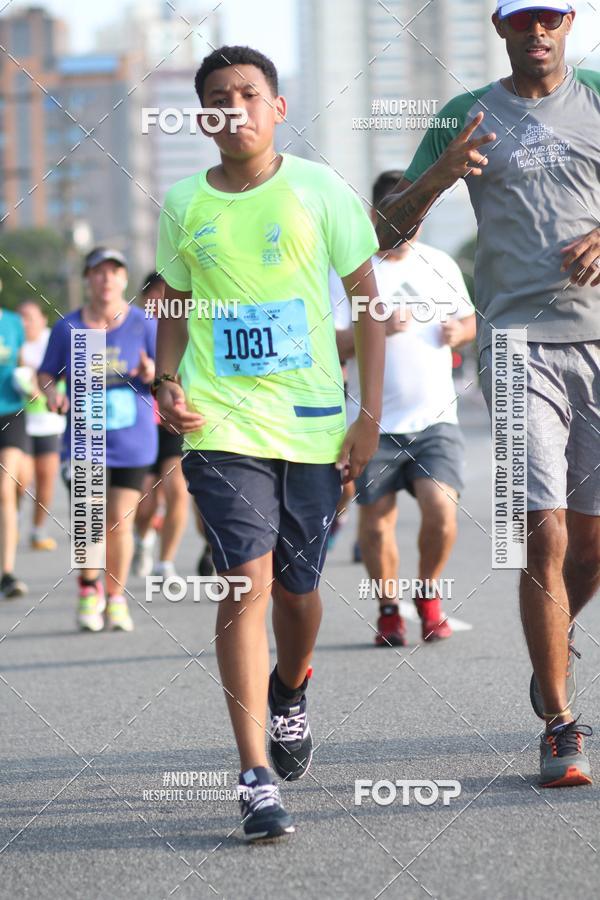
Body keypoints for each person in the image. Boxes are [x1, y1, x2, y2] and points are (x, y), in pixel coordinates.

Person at [154, 45, 384, 840]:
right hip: (220, 426)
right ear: (203, 117)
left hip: (315, 423)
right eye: (218, 98)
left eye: (249, 93)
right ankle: (253, 775)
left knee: (298, 593)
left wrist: (369, 415)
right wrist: (166, 381)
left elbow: (369, 302)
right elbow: (174, 304)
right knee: (244, 583)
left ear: (277, 107)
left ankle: (290, 688)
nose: (234, 107)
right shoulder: (183, 202)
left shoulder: (320, 190)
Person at [378, 2, 599, 787]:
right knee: (543, 529)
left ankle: (552, 653)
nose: (536, 31)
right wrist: (436, 177)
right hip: (515, 345)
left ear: (568, 22)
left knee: (594, 540)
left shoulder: (599, 94)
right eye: (521, 20)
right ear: (500, 29)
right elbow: (384, 228)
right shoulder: (463, 115)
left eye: (549, 17)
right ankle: (560, 725)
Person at [334, 170, 476, 646]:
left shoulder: (439, 264)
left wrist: (461, 331)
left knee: (442, 511)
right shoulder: (352, 272)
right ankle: (389, 609)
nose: (408, 223)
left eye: (417, 213)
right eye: (399, 213)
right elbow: (326, 344)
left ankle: (429, 593)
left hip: (435, 418)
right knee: (377, 525)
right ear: (376, 215)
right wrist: (373, 330)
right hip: (374, 423)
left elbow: (468, 318)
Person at [40, 247, 158, 632]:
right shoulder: (69, 328)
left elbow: (171, 372)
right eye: (98, 272)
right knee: (90, 520)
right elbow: (46, 373)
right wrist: (53, 392)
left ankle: (117, 598)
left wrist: (153, 370)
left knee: (120, 522)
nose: (106, 279)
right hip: (85, 438)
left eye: (114, 271)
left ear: (124, 279)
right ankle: (90, 587)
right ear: (88, 279)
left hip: (132, 438)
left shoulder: (142, 324)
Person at [132, 272, 188, 580]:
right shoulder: (133, 328)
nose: (161, 302)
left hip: (171, 422)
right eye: (155, 296)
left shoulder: (186, 328)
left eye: (166, 296)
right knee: (145, 503)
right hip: (141, 424)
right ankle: (143, 539)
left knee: (177, 491)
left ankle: (165, 563)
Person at [16, 299, 65, 551]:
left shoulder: (52, 340)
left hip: (48, 423)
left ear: (43, 320)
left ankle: (37, 530)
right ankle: (14, 519)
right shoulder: (11, 341)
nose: (25, 322)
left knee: (46, 480)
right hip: (19, 423)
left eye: (30, 317)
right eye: (21, 317)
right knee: (20, 480)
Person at [0, 306, 28, 598]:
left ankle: (6, 573)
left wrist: (27, 380)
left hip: (10, 413)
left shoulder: (12, 322)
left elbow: (22, 362)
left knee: (5, 488)